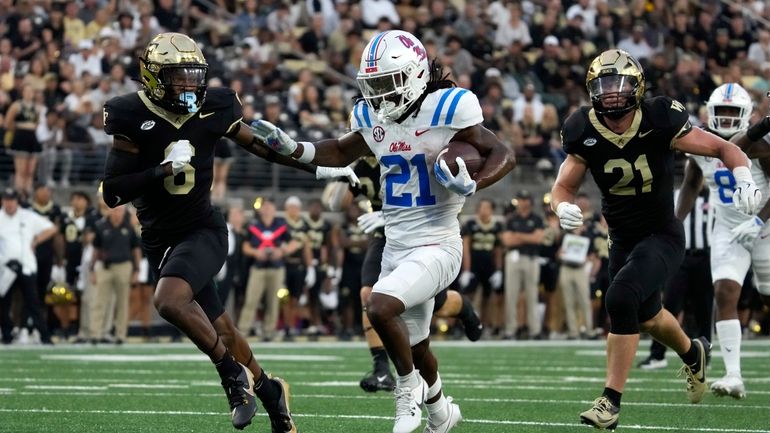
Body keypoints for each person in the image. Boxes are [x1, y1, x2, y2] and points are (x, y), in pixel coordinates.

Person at [252, 30, 515, 433]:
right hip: (396, 243)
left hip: (438, 243)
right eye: (372, 85)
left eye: (386, 83)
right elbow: (340, 151)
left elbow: (504, 153)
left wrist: (474, 184)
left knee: (378, 305)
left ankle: (407, 391)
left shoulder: (449, 107)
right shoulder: (373, 116)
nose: (379, 95)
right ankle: (442, 412)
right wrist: (294, 148)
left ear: (413, 76)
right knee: (416, 344)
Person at [101, 32, 357, 431]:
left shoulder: (216, 106)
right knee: (222, 328)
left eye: (193, 75)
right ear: (153, 78)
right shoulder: (129, 115)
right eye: (178, 76)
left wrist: (319, 167)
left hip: (203, 230)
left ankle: (232, 378)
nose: (189, 84)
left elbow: (262, 147)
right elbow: (112, 192)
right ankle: (273, 396)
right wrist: (161, 172)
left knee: (169, 301)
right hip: (159, 240)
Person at [551, 49, 762, 430]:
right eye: (604, 86)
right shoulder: (582, 128)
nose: (612, 94)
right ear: (591, 90)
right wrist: (559, 205)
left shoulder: (660, 117)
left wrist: (744, 175)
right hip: (622, 238)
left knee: (619, 298)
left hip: (661, 234)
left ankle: (609, 402)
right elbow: (563, 185)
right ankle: (692, 352)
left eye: (620, 85)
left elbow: (722, 147)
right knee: (647, 317)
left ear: (638, 87)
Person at [323, 156, 485, 395]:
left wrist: (389, 215)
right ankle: (381, 368)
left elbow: (431, 196)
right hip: (384, 237)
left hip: (420, 234)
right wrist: (342, 170)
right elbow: (337, 204)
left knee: (433, 302)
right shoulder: (360, 164)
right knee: (369, 293)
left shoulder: (404, 148)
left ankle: (463, 308)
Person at [666, 83, 770, 399]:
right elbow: (691, 183)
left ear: (745, 115)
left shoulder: (761, 146)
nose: (725, 117)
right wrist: (674, 223)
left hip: (765, 226)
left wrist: (758, 220)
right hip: (727, 227)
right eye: (720, 111)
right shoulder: (699, 144)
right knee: (724, 292)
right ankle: (733, 375)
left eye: (731, 112)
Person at [0, 187, 58, 345]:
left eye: (12, 200)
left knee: (33, 302)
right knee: (3, 303)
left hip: (27, 266)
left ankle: (44, 336)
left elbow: (52, 228)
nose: (9, 203)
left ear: (17, 201)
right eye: (6, 200)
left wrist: (37, 240)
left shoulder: (28, 216)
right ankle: (7, 334)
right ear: (2, 201)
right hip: (6, 268)